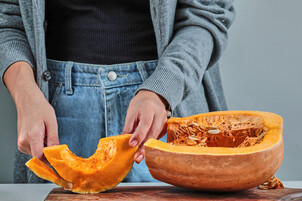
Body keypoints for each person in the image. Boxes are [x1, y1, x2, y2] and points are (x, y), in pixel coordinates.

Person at [0, 0, 235, 183]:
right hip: (56, 111)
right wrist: (25, 94)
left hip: (168, 108)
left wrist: (162, 89)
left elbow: (208, 14)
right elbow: (7, 17)